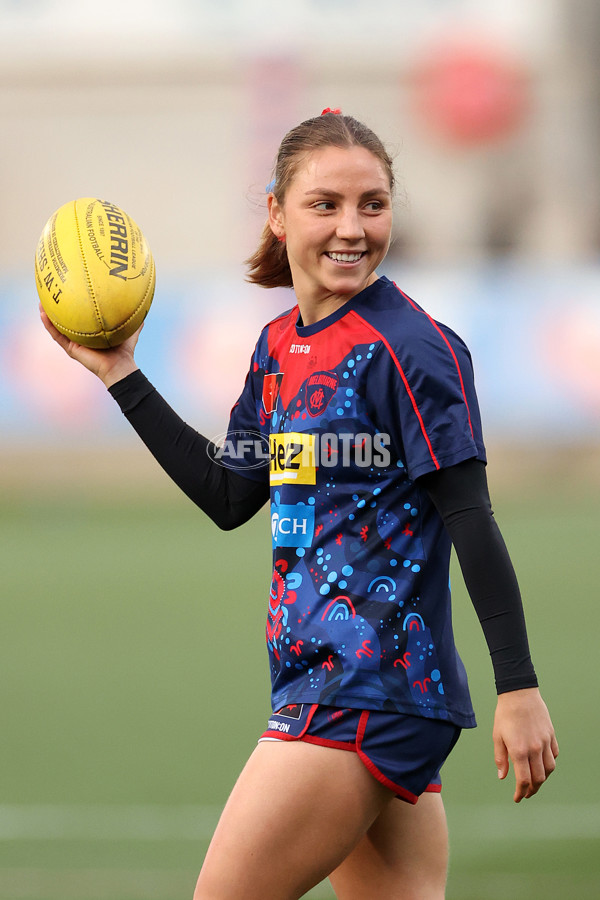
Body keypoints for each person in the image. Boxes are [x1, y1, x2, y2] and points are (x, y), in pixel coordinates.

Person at [40, 110, 558, 900]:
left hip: (361, 694)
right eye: (326, 205)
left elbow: (470, 517)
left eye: (373, 204)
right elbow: (229, 495)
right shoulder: (280, 347)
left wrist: (517, 686)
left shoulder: (412, 349)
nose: (352, 228)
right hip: (344, 691)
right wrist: (120, 374)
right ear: (278, 214)